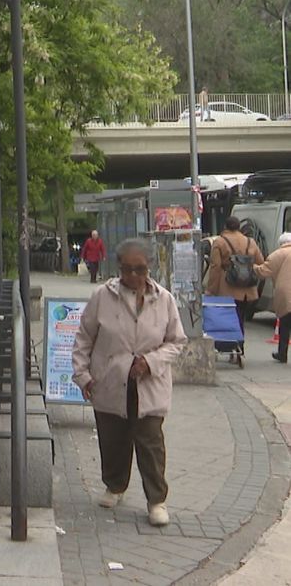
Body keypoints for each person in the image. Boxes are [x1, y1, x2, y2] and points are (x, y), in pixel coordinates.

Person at [72, 237, 186, 527]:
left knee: (150, 443)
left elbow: (176, 341)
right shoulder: (102, 296)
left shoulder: (164, 299)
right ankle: (115, 485)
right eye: (127, 269)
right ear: (118, 268)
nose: (133, 276)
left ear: (150, 268)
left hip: (149, 384)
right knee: (113, 439)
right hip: (109, 380)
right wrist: (83, 375)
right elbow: (84, 338)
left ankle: (156, 500)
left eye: (140, 269)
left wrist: (151, 361)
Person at [208, 216, 265, 333]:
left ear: (225, 227)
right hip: (247, 288)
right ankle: (240, 340)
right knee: (240, 316)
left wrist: (211, 289)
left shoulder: (220, 242)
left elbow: (215, 266)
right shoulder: (250, 242)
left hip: (227, 286)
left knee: (227, 318)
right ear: (239, 227)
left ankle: (232, 341)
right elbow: (260, 261)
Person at [256, 232, 291, 364]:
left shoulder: (278, 254)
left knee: (285, 325)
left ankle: (282, 354)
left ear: (282, 243)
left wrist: (252, 267)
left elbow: (263, 271)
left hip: (286, 294)